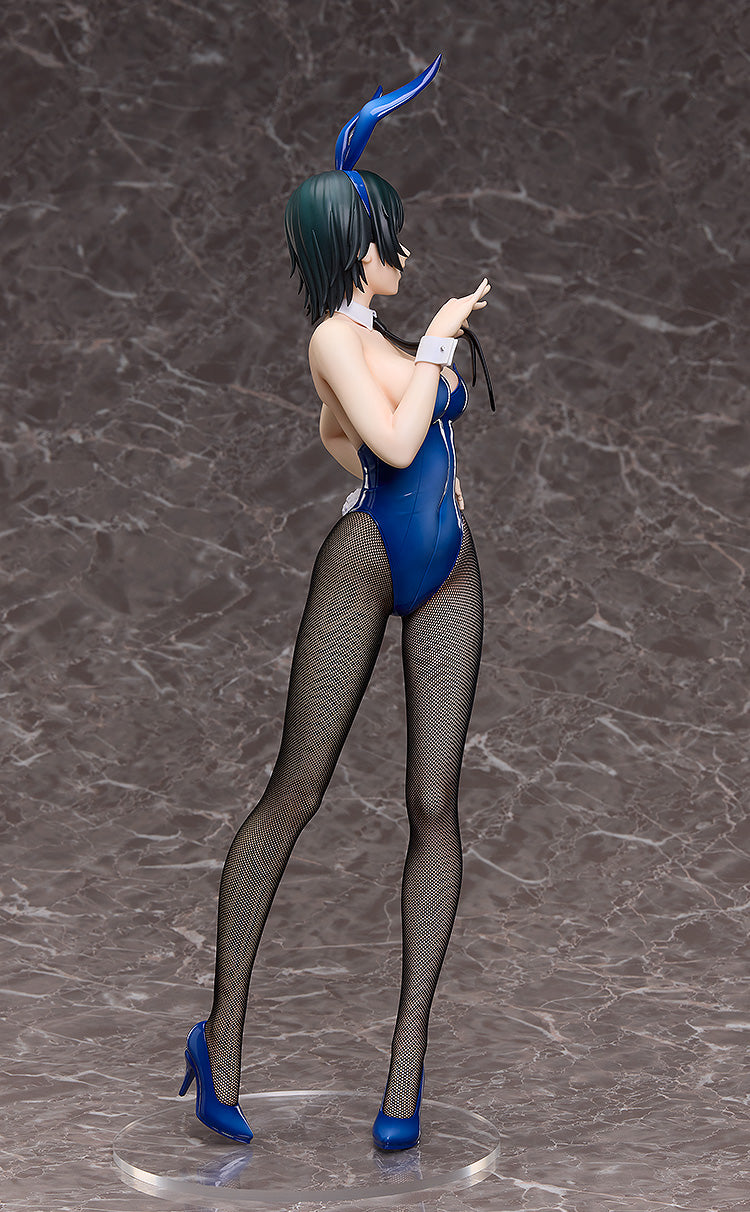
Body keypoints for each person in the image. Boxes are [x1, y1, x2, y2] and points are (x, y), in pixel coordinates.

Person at [179, 54, 491, 1152]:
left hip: (449, 567)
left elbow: (342, 432)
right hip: (366, 560)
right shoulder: (333, 337)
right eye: (388, 236)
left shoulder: (370, 345)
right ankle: (219, 1039)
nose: (401, 252)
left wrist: (417, 401)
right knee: (296, 790)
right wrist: (441, 340)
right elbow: (394, 444)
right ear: (357, 248)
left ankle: (405, 1072)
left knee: (435, 805)